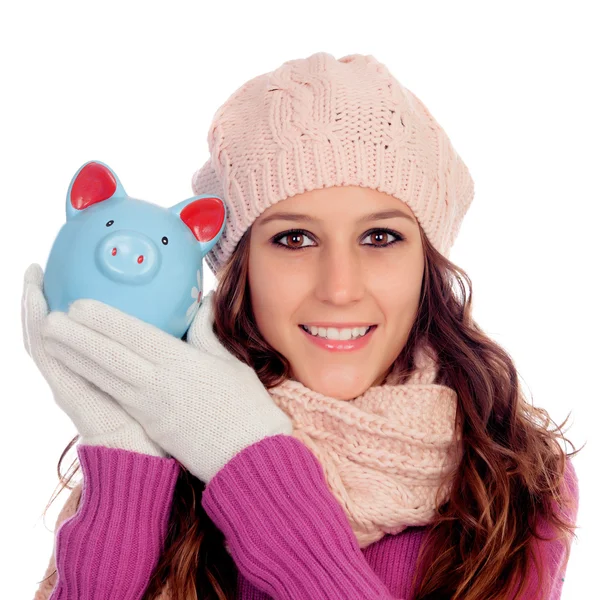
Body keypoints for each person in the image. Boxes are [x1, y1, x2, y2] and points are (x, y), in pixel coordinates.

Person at [23, 52, 581, 600]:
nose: (339, 288)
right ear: (240, 270)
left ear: (425, 265)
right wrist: (126, 467)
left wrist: (247, 463)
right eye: (294, 239)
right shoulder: (153, 448)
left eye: (380, 238)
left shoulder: (517, 482)